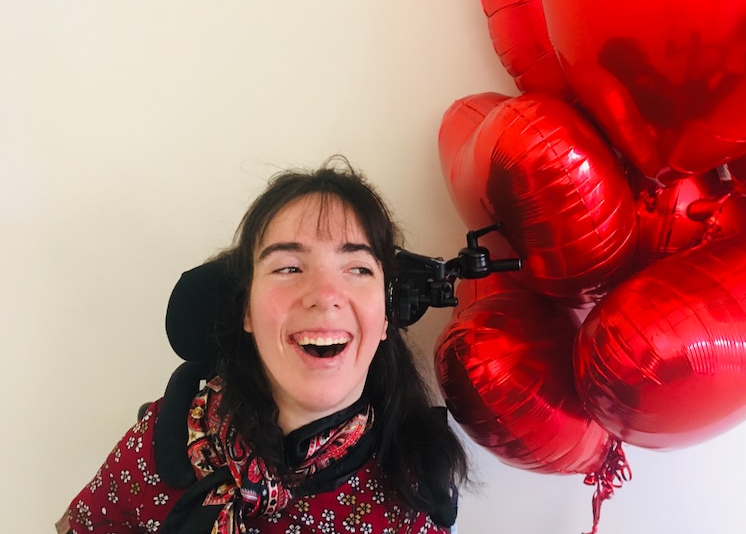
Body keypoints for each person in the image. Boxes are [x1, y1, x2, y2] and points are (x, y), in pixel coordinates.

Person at [58, 156, 469, 534]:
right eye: (289, 267)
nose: (325, 295)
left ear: (385, 316)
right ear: (248, 312)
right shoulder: (164, 440)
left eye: (358, 268)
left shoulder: (415, 492)